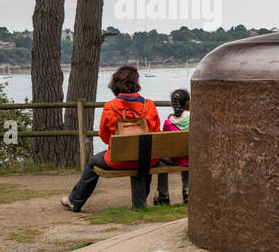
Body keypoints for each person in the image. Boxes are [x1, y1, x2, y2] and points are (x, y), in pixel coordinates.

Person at [62, 65, 160, 212]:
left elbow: (105, 136)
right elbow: (156, 132)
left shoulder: (110, 107)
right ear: (136, 83)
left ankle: (75, 200)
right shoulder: (149, 105)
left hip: (119, 160)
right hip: (147, 160)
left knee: (93, 162)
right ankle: (141, 202)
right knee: (144, 156)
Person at [155, 88, 190, 205]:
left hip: (176, 159)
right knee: (187, 155)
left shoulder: (168, 123)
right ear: (188, 103)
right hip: (192, 158)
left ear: (173, 104)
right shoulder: (195, 119)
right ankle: (187, 191)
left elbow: (164, 143)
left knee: (160, 159)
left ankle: (163, 194)